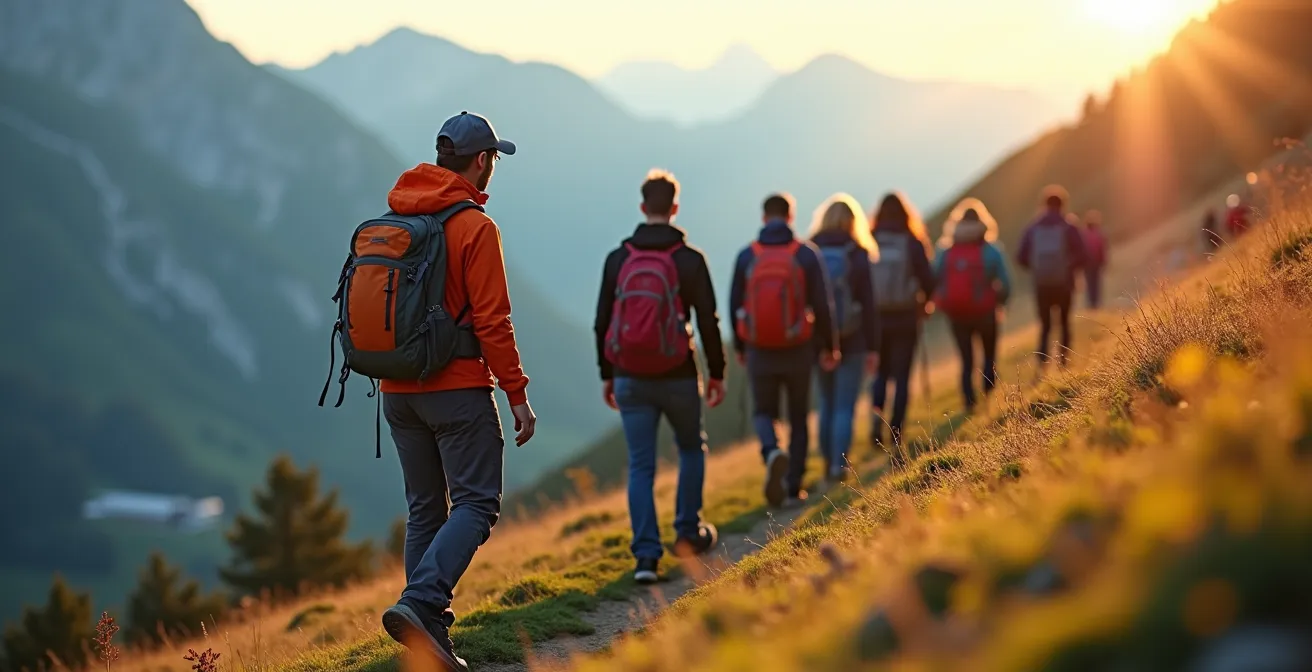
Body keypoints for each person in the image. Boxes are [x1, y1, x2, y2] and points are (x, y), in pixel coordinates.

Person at [378, 111, 536, 672]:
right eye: (493, 158)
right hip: (457, 390)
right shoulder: (475, 227)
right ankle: (422, 603)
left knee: (425, 510)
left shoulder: (399, 212)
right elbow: (494, 322)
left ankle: (427, 637)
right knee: (476, 503)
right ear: (480, 161)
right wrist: (516, 394)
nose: (492, 167)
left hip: (396, 389)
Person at [594, 169, 727, 585]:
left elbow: (601, 322)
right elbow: (708, 319)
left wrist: (608, 374)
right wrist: (718, 372)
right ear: (674, 207)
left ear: (641, 208)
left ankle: (646, 559)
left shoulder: (619, 259)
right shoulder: (690, 260)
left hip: (630, 374)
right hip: (679, 374)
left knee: (641, 466)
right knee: (690, 448)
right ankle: (688, 533)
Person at [730, 192, 837, 508]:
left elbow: (735, 304)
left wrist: (740, 345)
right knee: (798, 416)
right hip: (798, 348)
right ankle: (792, 487)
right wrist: (829, 346)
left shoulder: (747, 256)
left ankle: (771, 449)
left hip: (759, 349)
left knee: (763, 411)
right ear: (791, 217)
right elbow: (822, 303)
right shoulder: (805, 253)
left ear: (763, 218)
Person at [808, 194, 880, 483]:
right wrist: (874, 347)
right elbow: (870, 303)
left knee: (826, 402)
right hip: (853, 338)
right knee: (844, 406)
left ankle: (827, 464)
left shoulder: (809, 250)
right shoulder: (857, 253)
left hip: (818, 340)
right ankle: (839, 466)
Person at [868, 192, 936, 455]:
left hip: (876, 319)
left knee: (880, 374)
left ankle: (876, 419)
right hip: (906, 317)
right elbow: (928, 279)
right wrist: (925, 303)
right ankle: (896, 431)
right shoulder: (911, 241)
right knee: (902, 376)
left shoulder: (869, 239)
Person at [934, 199, 1011, 414]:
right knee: (988, 354)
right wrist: (1000, 302)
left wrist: (943, 303)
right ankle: (988, 393)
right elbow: (1006, 282)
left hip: (957, 314)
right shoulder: (991, 250)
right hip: (986, 311)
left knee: (966, 359)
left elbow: (934, 278)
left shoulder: (945, 251)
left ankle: (968, 401)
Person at [1016, 185, 1087, 373]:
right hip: (1065, 282)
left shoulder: (1033, 228)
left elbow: (1021, 257)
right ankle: (1064, 363)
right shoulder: (1069, 226)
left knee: (1045, 325)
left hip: (1042, 284)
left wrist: (1037, 268)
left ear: (1044, 205)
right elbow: (1082, 254)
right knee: (1064, 322)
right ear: (1063, 204)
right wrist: (1068, 266)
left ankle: (1042, 364)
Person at [1081, 210, 1107, 309]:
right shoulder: (1099, 233)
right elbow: (1102, 248)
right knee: (1096, 282)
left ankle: (1091, 302)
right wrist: (1103, 260)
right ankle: (1095, 302)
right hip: (1096, 261)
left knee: (1090, 282)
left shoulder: (1084, 234)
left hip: (1087, 262)